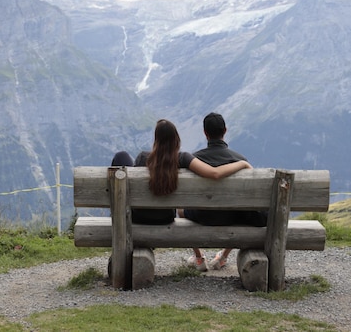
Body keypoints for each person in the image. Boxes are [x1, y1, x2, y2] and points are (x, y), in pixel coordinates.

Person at [111, 118, 252, 225]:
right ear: (176, 138)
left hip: (138, 217)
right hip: (165, 218)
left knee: (121, 156)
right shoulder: (183, 158)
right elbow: (215, 173)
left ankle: (116, 215)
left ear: (156, 139)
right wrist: (242, 163)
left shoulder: (143, 157)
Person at [178, 112, 267, 272]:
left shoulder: (194, 160)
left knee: (180, 210)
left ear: (205, 133)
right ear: (225, 131)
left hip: (202, 215)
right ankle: (223, 257)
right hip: (232, 216)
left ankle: (199, 257)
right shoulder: (239, 159)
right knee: (242, 209)